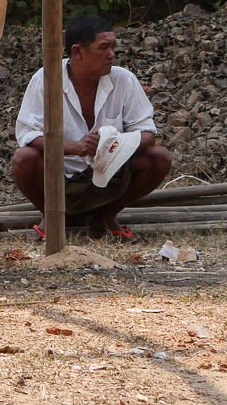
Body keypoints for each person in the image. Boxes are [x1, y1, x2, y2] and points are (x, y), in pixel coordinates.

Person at [11, 15, 172, 241]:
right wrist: (74, 148)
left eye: (113, 46)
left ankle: (105, 217)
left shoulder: (124, 79)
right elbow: (27, 134)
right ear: (78, 51)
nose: (112, 54)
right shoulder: (46, 78)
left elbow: (147, 133)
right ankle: (52, 216)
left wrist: (114, 146)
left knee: (159, 157)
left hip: (109, 173)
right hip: (60, 173)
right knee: (24, 159)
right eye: (104, 47)